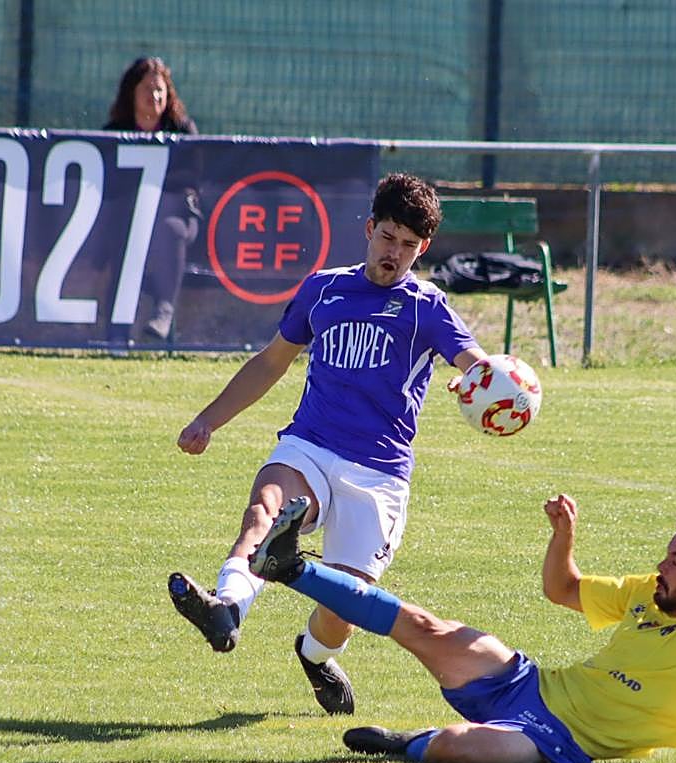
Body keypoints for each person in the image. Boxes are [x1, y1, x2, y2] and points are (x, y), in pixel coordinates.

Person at [168, 173, 489, 715]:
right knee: (264, 514)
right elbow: (272, 360)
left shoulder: (426, 307)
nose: (395, 253)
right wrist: (209, 420)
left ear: (423, 248)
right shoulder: (323, 289)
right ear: (368, 229)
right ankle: (226, 608)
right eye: (388, 237)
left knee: (344, 602)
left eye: (409, 245)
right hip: (309, 447)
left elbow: (476, 364)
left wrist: (481, 382)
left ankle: (315, 656)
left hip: (380, 473)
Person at [245, 436, 676, 763]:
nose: (664, 565)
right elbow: (563, 590)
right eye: (668, 555)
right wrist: (563, 537)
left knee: (454, 746)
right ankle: (291, 568)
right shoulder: (645, 591)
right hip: (530, 684)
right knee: (426, 626)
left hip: (560, 741)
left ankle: (408, 741)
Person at [103, 56, 200, 340]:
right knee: (125, 238)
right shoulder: (114, 134)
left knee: (168, 227)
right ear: (131, 93)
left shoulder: (182, 131)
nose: (154, 96)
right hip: (126, 224)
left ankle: (164, 311)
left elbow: (192, 180)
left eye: (160, 90)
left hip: (178, 220)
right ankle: (116, 336)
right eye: (147, 89)